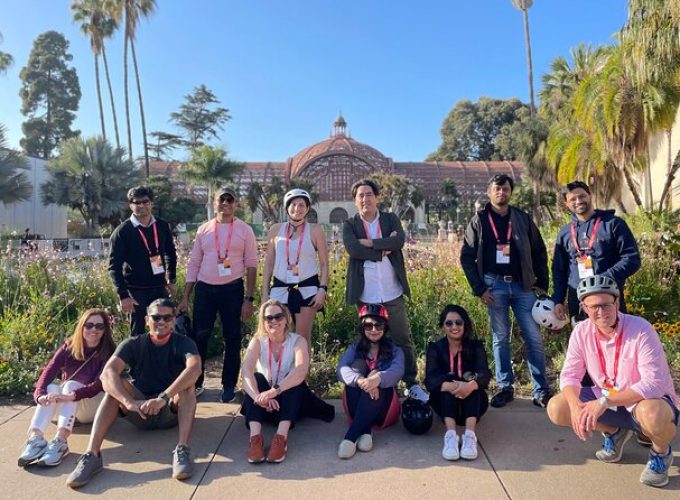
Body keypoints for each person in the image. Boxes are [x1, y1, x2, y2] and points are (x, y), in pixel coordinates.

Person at [547, 275, 679, 488]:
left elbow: (652, 384)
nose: (601, 312)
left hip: (643, 401)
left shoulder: (641, 329)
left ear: (617, 302)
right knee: (558, 407)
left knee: (652, 415)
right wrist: (575, 407)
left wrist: (603, 403)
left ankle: (661, 454)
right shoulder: (581, 331)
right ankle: (614, 432)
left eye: (606, 305)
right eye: (594, 307)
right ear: (584, 307)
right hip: (607, 396)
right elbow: (570, 375)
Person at [66, 299, 201, 488]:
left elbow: (195, 369)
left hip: (169, 410)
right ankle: (92, 455)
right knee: (114, 387)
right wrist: (129, 402)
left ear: (173, 320)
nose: (161, 321)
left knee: (188, 387)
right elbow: (107, 373)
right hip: (139, 410)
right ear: (147, 320)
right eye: (156, 317)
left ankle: (182, 449)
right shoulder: (133, 344)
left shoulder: (184, 343)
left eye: (167, 317)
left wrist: (163, 398)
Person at [460, 173, 552, 409]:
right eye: (497, 189)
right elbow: (467, 257)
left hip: (523, 287)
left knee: (533, 337)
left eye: (506, 189)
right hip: (494, 286)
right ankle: (505, 387)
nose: (502, 193)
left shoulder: (521, 218)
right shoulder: (479, 220)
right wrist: (479, 289)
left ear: (511, 193)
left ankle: (541, 390)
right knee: (500, 338)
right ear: (489, 192)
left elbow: (539, 251)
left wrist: (542, 285)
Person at [342, 178, 427, 402]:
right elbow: (353, 249)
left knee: (401, 338)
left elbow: (398, 240)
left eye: (369, 194)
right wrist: (382, 248)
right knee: (370, 340)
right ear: (355, 201)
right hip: (366, 295)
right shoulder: (350, 224)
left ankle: (411, 383)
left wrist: (369, 243)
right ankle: (378, 383)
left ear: (376, 197)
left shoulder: (390, 219)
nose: (365, 199)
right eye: (360, 195)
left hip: (391, 292)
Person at [179, 187, 257, 402]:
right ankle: (197, 381)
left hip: (232, 289)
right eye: (221, 200)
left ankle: (229, 385)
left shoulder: (244, 230)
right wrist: (186, 296)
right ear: (214, 204)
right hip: (205, 289)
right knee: (199, 336)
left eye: (229, 200)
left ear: (236, 204)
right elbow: (194, 262)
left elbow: (251, 265)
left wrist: (248, 299)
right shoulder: (204, 230)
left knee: (232, 337)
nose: (225, 203)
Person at [18, 309, 116, 468]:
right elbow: (48, 372)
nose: (94, 330)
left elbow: (99, 384)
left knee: (70, 385)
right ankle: (35, 439)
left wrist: (71, 395)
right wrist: (40, 395)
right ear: (81, 326)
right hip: (69, 408)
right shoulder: (69, 347)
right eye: (89, 325)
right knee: (50, 387)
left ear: (105, 330)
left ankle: (61, 441)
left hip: (93, 405)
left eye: (99, 326)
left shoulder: (110, 351)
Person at [240, 300, 334, 464]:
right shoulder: (257, 341)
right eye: (269, 318)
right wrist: (258, 397)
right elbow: (246, 370)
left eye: (278, 316)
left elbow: (301, 371)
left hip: (289, 401)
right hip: (265, 404)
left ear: (286, 319)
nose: (274, 321)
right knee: (256, 378)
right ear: (263, 321)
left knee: (293, 380)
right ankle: (255, 439)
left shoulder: (297, 341)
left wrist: (274, 391)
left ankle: (280, 438)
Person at [552, 181, 640, 324]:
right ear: (566, 204)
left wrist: (604, 278)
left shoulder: (613, 224)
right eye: (573, 199)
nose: (578, 201)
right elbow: (559, 270)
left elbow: (632, 259)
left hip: (608, 295)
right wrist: (558, 300)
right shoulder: (565, 233)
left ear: (590, 196)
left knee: (616, 339)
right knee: (584, 342)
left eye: (582, 196)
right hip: (579, 299)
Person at [261, 188, 329, 352]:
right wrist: (264, 293)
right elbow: (269, 263)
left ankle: (302, 377)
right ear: (287, 207)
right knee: (276, 336)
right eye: (293, 205)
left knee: (302, 339)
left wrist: (322, 290)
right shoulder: (276, 230)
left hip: (306, 290)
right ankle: (279, 375)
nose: (297, 209)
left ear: (307, 208)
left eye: (301, 205)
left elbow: (325, 264)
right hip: (280, 290)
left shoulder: (315, 230)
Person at [336, 304, 404, 459]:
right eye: (368, 325)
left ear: (385, 327)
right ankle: (365, 430)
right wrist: (360, 380)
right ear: (362, 328)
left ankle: (351, 436)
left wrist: (376, 379)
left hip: (384, 409)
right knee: (357, 368)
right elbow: (341, 368)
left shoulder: (395, 350)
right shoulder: (355, 348)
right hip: (357, 401)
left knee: (376, 375)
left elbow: (397, 371)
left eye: (378, 325)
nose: (374, 330)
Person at [424, 304, 491, 461]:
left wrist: (469, 386)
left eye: (458, 322)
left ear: (465, 324)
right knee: (447, 387)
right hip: (444, 407)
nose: (454, 327)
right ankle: (451, 437)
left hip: (473, 406)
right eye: (449, 323)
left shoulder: (476, 346)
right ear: (443, 326)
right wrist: (453, 386)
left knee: (473, 388)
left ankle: (469, 436)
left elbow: (485, 374)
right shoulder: (435, 348)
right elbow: (430, 379)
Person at [109, 186, 177, 336]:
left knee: (165, 328)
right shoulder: (122, 231)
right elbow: (114, 267)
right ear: (130, 205)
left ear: (151, 203)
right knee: (138, 333)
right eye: (136, 202)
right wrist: (123, 295)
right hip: (135, 291)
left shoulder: (162, 225)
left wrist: (171, 279)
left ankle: (162, 359)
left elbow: (170, 253)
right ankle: (137, 360)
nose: (141, 206)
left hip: (159, 287)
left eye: (145, 202)